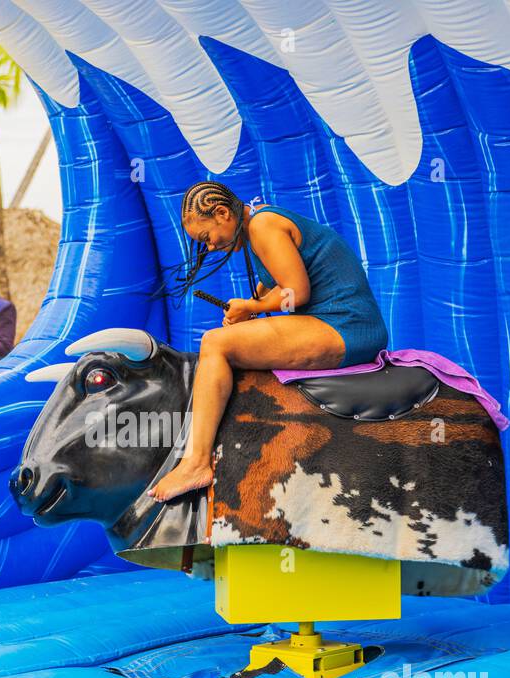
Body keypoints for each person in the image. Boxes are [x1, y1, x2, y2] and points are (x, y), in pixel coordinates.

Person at [148, 182, 389, 503]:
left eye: (207, 238)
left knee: (215, 344)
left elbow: (294, 293)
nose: (210, 247)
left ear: (222, 213)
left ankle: (196, 462)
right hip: (334, 322)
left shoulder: (263, 225)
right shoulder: (259, 223)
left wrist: (251, 307)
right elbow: (274, 284)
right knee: (225, 341)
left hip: (345, 326)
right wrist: (252, 305)